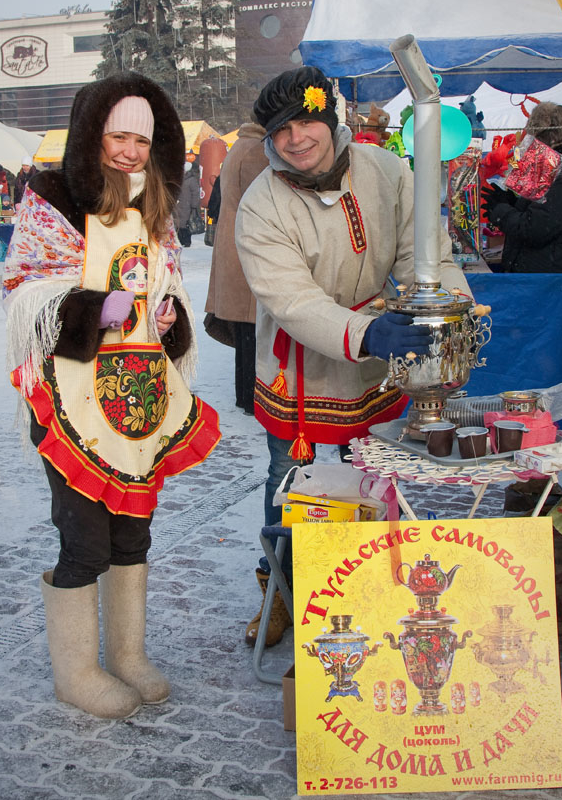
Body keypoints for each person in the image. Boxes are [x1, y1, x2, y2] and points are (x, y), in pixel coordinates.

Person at [2, 73, 221, 719]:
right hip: (70, 402)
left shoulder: (155, 204)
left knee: (133, 533)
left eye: (141, 141)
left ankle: (126, 655)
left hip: (137, 400)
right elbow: (24, 289)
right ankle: (78, 671)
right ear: (94, 133)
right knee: (85, 540)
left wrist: (168, 319)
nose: (129, 151)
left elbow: (168, 285)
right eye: (119, 136)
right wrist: (92, 308)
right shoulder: (53, 198)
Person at [235, 66, 469, 646]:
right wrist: (370, 334)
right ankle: (283, 592)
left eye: (307, 121)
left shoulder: (387, 170)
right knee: (290, 479)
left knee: (376, 471)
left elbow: (428, 253)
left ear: (332, 118)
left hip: (380, 349)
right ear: (269, 138)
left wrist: (451, 313)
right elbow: (292, 300)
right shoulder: (260, 205)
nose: (296, 139)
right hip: (304, 363)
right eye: (282, 130)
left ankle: (371, 582)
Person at [482, 102, 562, 371]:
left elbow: (533, 229)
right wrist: (508, 200)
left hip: (554, 288)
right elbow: (530, 209)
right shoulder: (560, 171)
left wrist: (499, 210)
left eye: (533, 136)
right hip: (548, 283)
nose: (528, 142)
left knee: (550, 361)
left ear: (548, 139)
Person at [205, 120, 268, 416]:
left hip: (232, 244)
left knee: (246, 331)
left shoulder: (240, 146)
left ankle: (245, 395)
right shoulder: (256, 150)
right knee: (253, 330)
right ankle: (252, 397)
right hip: (245, 247)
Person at [173, 161, 198, 247]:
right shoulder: (179, 178)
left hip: (187, 205)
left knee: (184, 223)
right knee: (178, 223)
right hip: (179, 204)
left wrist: (194, 206)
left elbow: (195, 193)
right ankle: (181, 240)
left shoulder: (191, 180)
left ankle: (186, 240)